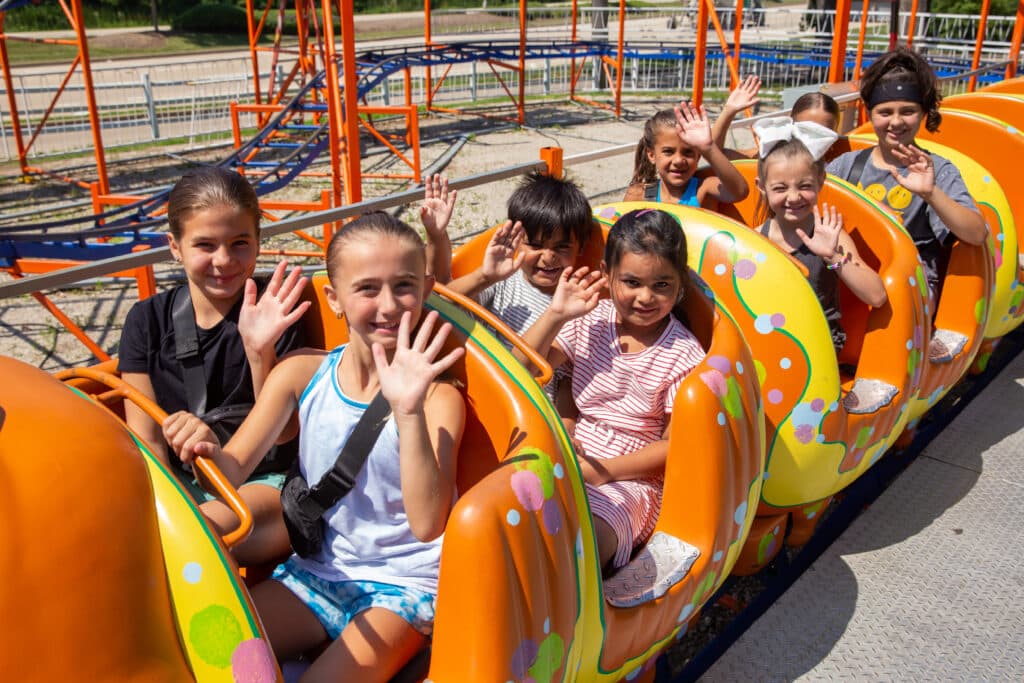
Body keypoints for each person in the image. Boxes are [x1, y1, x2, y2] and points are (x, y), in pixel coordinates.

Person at [163, 212, 466, 682]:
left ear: (425, 289)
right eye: (367, 288)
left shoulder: (438, 399)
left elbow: (427, 524)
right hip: (319, 571)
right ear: (335, 298)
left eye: (404, 286)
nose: (388, 305)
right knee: (206, 651)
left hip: (402, 586)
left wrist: (407, 410)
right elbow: (230, 471)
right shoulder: (302, 372)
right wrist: (200, 445)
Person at [118, 165, 310, 566]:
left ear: (258, 241)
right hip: (183, 481)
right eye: (205, 245)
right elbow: (148, 441)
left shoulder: (280, 310)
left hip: (268, 481)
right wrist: (172, 497)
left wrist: (261, 352)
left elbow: (285, 436)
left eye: (239, 243)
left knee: (193, 533)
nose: (224, 260)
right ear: (175, 246)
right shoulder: (146, 322)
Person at [519, 208, 706, 574]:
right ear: (607, 275)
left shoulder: (683, 354)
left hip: (632, 479)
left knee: (583, 542)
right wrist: (555, 314)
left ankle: (568, 609)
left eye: (662, 285)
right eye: (632, 282)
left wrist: (600, 472)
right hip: (574, 450)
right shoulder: (592, 320)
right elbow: (521, 368)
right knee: (518, 511)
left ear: (680, 284)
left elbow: (673, 445)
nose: (646, 297)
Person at [826, 46, 987, 326]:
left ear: (923, 113)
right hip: (851, 269)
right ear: (870, 113)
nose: (896, 122)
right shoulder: (846, 166)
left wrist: (930, 193)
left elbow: (976, 234)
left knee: (894, 290)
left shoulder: (939, 170)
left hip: (908, 279)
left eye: (908, 111)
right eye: (885, 112)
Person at [752, 116, 887, 352]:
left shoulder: (831, 236)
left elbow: (876, 296)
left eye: (804, 186)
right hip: (769, 342)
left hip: (818, 345)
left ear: (820, 181)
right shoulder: (754, 240)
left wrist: (832, 259)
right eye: (780, 188)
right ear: (762, 187)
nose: (793, 197)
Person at [625, 100, 749, 206]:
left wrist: (708, 148)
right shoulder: (638, 194)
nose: (679, 160)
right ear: (652, 155)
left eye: (688, 152)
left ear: (698, 155)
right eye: (668, 152)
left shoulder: (704, 189)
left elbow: (740, 192)